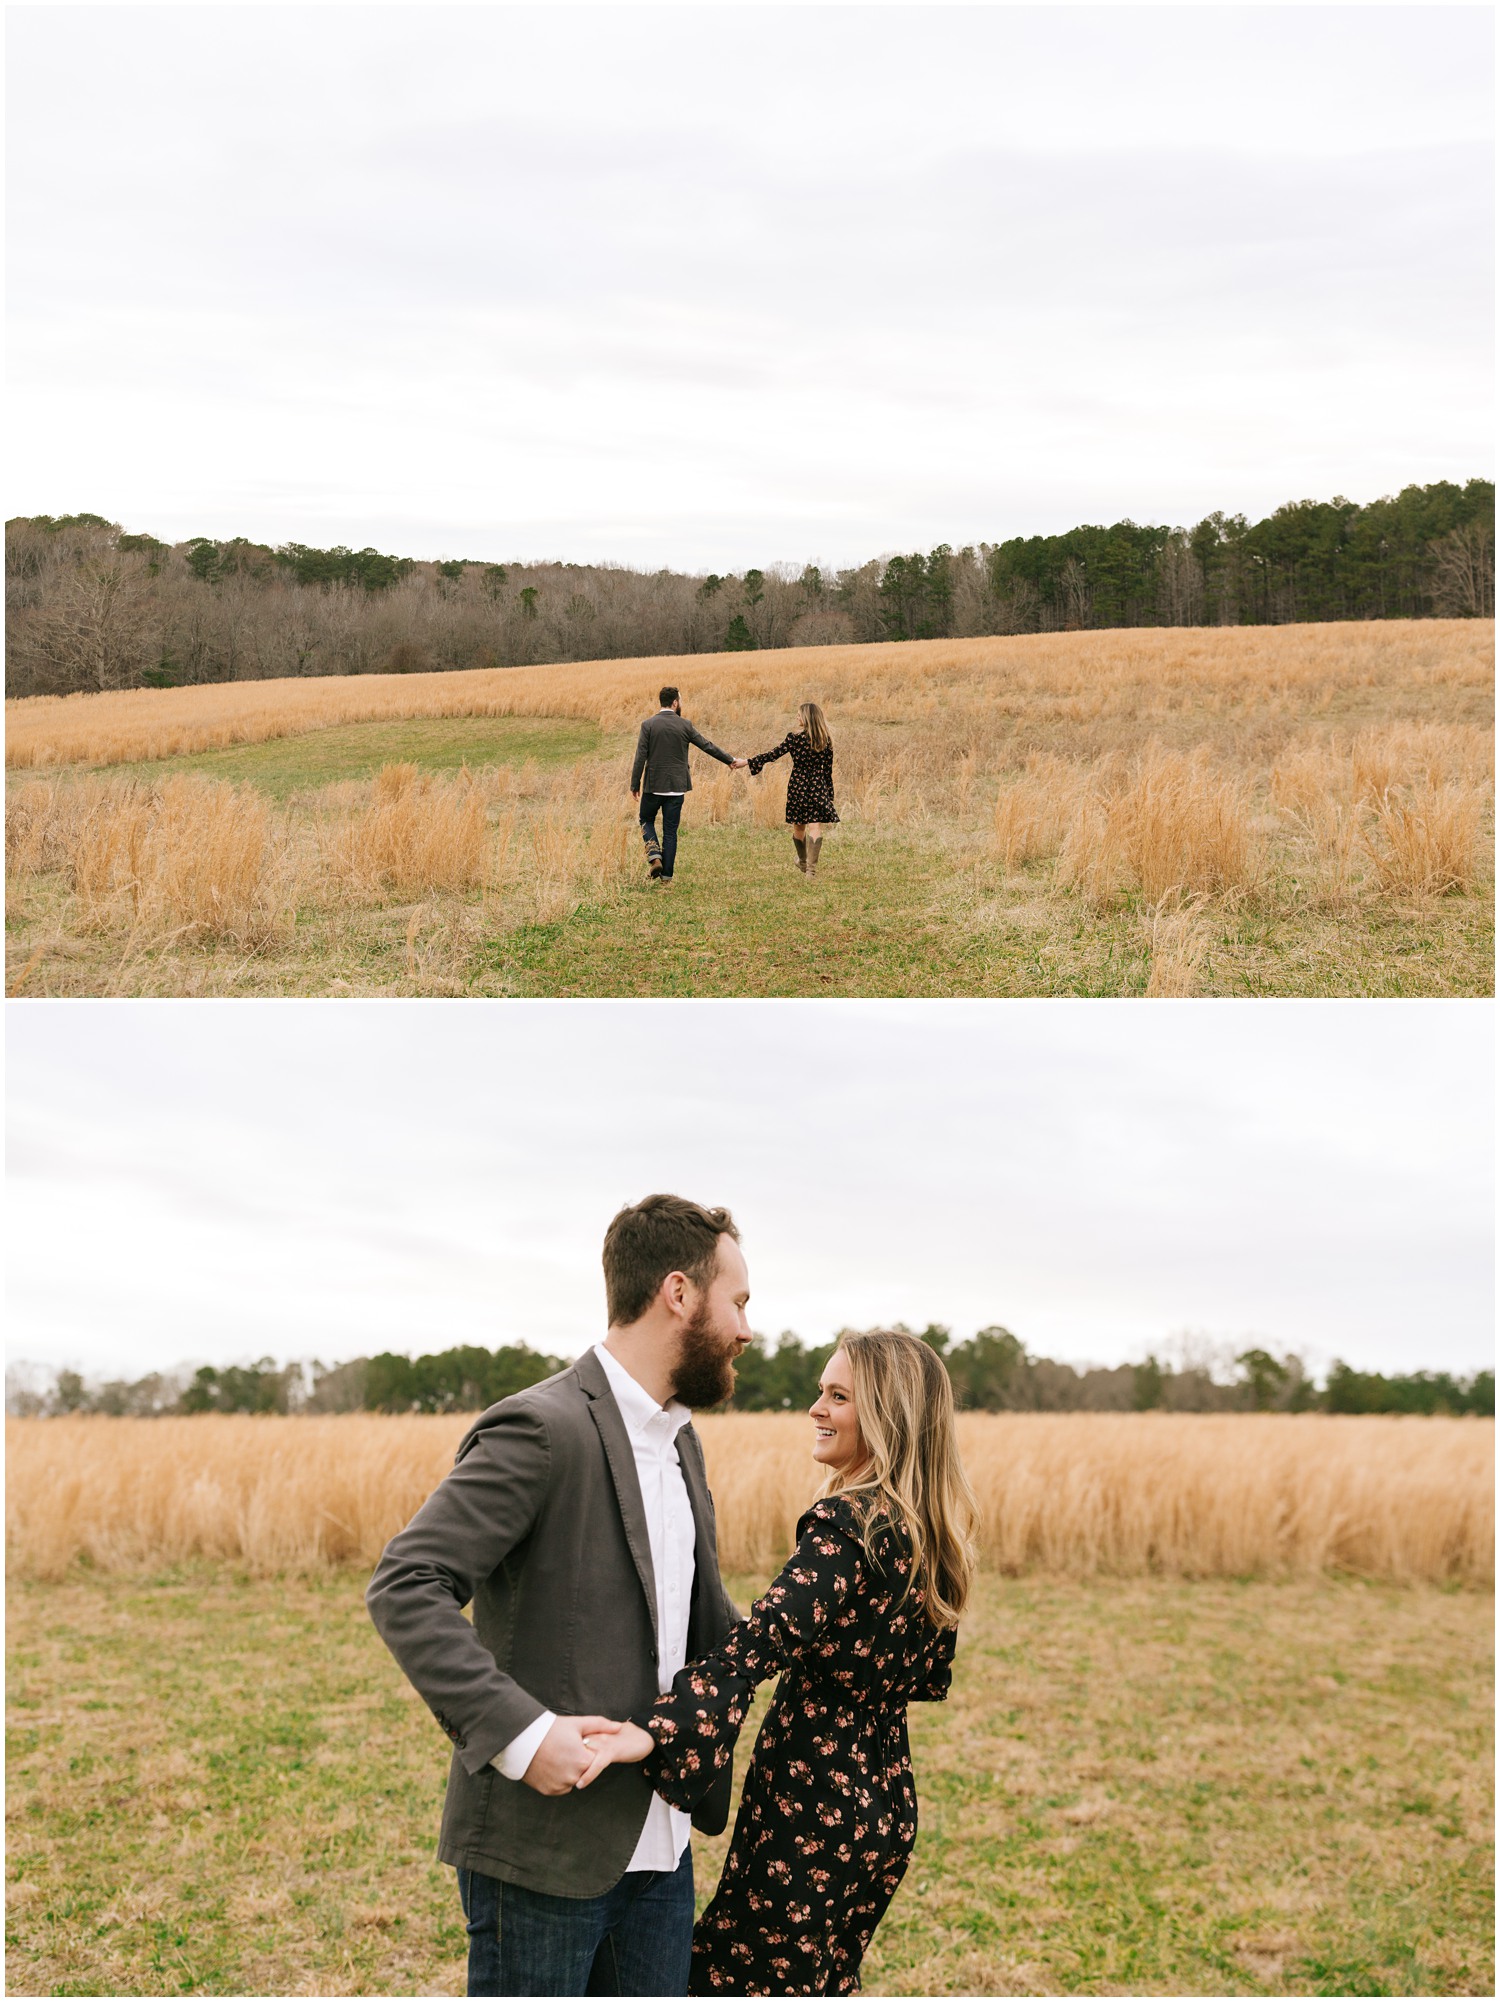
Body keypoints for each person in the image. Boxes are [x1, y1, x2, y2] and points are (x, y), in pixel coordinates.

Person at [365, 1195, 753, 1997]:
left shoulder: (681, 1441)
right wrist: (522, 1734)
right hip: (541, 1857)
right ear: (678, 1294)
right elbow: (408, 1583)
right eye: (738, 1301)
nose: (747, 1329)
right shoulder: (542, 1428)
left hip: (663, 1845)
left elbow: (697, 1622)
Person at [576, 1328, 979, 1997]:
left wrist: (656, 1729)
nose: (816, 1409)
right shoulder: (930, 1535)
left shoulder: (846, 1524)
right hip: (886, 1801)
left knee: (742, 1981)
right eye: (821, 1391)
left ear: (888, 1415)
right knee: (820, 1979)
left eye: (840, 1396)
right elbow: (916, 1674)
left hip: (811, 1802)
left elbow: (759, 1646)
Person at [630, 686, 747, 885]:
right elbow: (707, 745)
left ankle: (654, 856)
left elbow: (640, 756)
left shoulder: (648, 725)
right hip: (677, 787)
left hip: (653, 786)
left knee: (645, 819)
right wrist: (730, 760)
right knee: (670, 831)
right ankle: (666, 877)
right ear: (675, 702)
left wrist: (635, 784)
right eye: (680, 701)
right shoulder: (685, 725)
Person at [746, 700, 839, 878]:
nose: (796, 716)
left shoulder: (794, 739)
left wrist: (749, 762)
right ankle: (810, 870)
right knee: (815, 826)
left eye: (799, 714)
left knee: (799, 827)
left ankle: (804, 862)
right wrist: (829, 793)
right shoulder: (826, 741)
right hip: (818, 786)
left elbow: (773, 754)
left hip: (798, 786)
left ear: (807, 717)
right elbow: (828, 771)